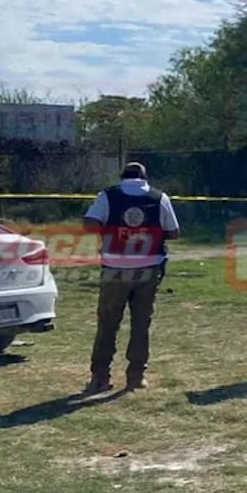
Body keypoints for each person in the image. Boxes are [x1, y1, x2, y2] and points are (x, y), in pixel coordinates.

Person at [82, 162, 180, 394]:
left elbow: (89, 223)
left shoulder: (108, 196)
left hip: (115, 267)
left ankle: (100, 377)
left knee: (107, 323)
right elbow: (174, 231)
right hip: (148, 268)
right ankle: (136, 376)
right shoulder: (160, 197)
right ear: (145, 178)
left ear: (122, 176)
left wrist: (110, 229)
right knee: (141, 323)